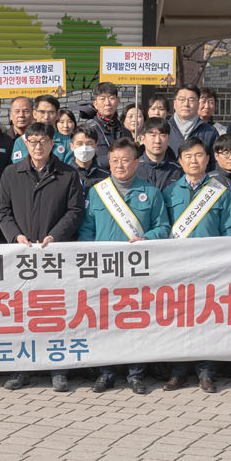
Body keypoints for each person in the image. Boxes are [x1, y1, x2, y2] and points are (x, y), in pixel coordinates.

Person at [0, 121, 86, 391]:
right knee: (23, 311)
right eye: (33, 141)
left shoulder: (68, 174)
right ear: (25, 143)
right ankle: (21, 369)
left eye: (43, 141)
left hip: (54, 254)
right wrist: (15, 236)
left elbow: (75, 211)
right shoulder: (11, 173)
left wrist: (55, 236)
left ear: (53, 143)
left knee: (56, 311)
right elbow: (3, 211)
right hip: (22, 255)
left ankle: (58, 369)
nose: (38, 146)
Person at [79, 138, 171, 394]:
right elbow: (86, 230)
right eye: (114, 160)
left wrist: (147, 239)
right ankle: (106, 372)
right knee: (104, 322)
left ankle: (136, 374)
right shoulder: (98, 192)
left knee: (136, 322)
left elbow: (163, 227)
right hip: (105, 269)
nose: (119, 165)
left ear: (136, 162)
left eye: (125, 160)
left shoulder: (151, 193)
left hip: (138, 270)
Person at [162, 137, 231, 393]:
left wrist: (228, 259)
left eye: (198, 155)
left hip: (210, 266)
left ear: (207, 159)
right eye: (188, 156)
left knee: (207, 319)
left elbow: (230, 228)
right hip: (178, 267)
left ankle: (206, 372)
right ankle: (178, 372)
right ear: (180, 161)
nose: (193, 161)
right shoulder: (170, 192)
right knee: (179, 320)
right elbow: (163, 228)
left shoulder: (219, 191)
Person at [167, 86, 218, 160]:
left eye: (191, 100)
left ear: (198, 104)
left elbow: (215, 162)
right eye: (182, 100)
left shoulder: (210, 132)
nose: (186, 104)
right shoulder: (164, 128)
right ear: (174, 104)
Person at [135, 118, 181, 190]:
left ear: (169, 139)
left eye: (162, 135)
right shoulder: (133, 168)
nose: (157, 141)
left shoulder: (178, 171)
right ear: (143, 139)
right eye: (153, 135)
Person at [28, 95, 74, 165]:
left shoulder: (67, 142)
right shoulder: (22, 141)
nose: (46, 117)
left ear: (57, 115)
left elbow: (69, 169)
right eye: (42, 112)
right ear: (34, 114)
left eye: (51, 112)